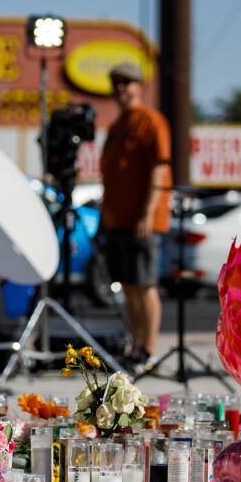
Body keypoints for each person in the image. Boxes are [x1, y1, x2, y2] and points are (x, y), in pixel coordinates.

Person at [98, 62, 172, 367]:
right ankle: (136, 347)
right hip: (118, 220)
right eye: (117, 83)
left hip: (144, 221)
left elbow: (160, 167)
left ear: (140, 87)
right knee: (128, 287)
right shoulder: (117, 127)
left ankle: (149, 351)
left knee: (144, 285)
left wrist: (147, 212)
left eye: (128, 83)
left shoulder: (151, 121)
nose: (122, 89)